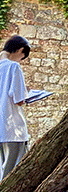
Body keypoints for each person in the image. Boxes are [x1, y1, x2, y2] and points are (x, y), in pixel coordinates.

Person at [0, 35, 31, 181]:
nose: (20, 61)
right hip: (12, 129)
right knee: (12, 173)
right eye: (22, 57)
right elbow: (19, 100)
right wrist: (27, 93)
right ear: (20, 50)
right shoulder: (13, 67)